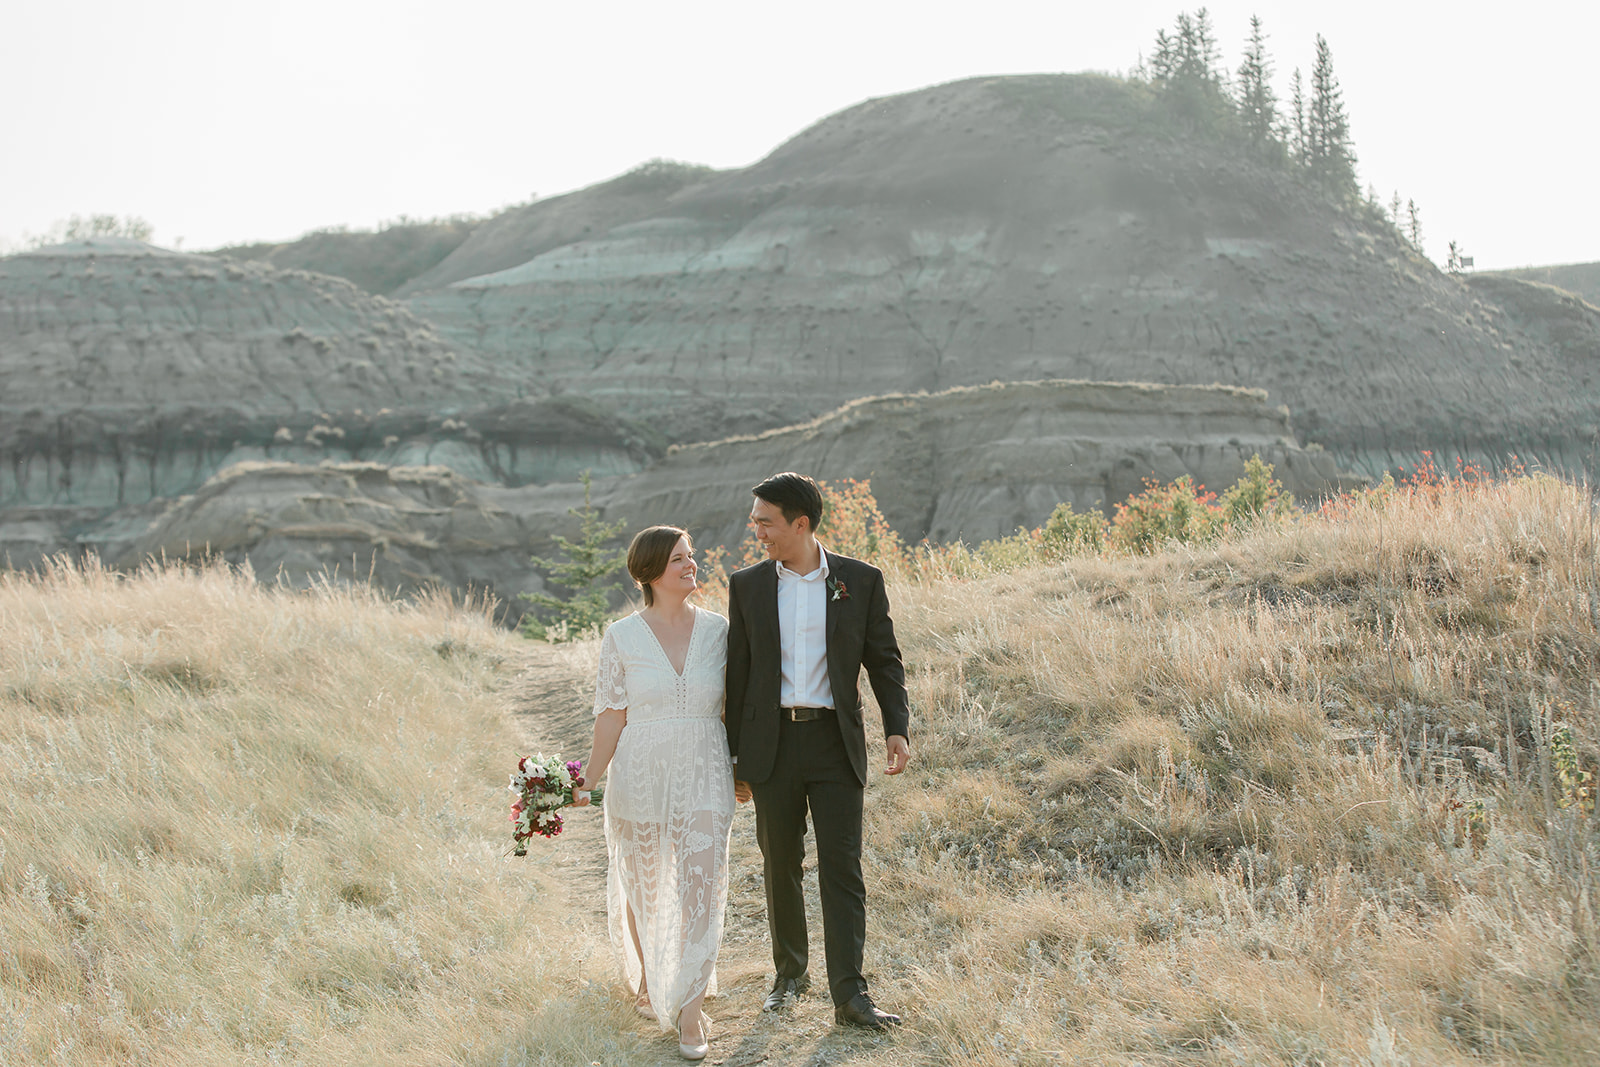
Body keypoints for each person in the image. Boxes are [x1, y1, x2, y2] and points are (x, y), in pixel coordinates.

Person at [725, 472, 911, 1031]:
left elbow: (885, 660)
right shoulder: (747, 585)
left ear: (800, 524)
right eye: (755, 519)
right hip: (772, 744)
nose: (755, 530)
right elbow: (738, 673)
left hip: (835, 742)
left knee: (842, 867)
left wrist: (895, 727)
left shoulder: (860, 579)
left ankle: (850, 994)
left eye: (765, 521)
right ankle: (789, 976)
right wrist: (736, 757)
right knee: (780, 862)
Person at [574, 525, 735, 1061]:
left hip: (706, 769)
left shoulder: (721, 631)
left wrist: (745, 771)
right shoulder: (621, 635)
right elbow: (611, 716)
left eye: (691, 556)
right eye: (677, 560)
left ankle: (690, 1011)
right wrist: (588, 780)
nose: (690, 566)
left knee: (700, 888)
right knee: (646, 890)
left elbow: (737, 708)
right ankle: (650, 981)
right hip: (640, 774)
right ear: (648, 572)